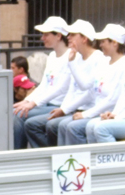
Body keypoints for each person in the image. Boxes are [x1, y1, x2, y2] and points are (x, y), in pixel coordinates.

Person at [28, 19, 107, 147]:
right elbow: (72, 88)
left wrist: (64, 109)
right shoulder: (77, 57)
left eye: (73, 34)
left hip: (89, 110)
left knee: (59, 125)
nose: (68, 37)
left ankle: (71, 160)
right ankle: (55, 156)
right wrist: (63, 109)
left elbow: (87, 88)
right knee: (51, 125)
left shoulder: (98, 59)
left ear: (84, 39)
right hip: (74, 109)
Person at [59, 24, 125, 145]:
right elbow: (88, 88)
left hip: (107, 115)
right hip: (96, 113)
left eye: (103, 42)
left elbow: (112, 100)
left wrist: (85, 114)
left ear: (114, 43)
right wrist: (72, 62)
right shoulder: (104, 62)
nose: (100, 45)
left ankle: (81, 163)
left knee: (72, 128)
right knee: (63, 125)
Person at [12, 16, 70, 149]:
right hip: (46, 104)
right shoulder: (51, 57)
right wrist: (27, 101)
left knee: (20, 115)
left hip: (59, 106)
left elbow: (60, 89)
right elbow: (44, 85)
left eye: (46, 34)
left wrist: (33, 103)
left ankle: (20, 156)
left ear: (59, 36)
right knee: (15, 110)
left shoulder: (70, 57)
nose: (42, 38)